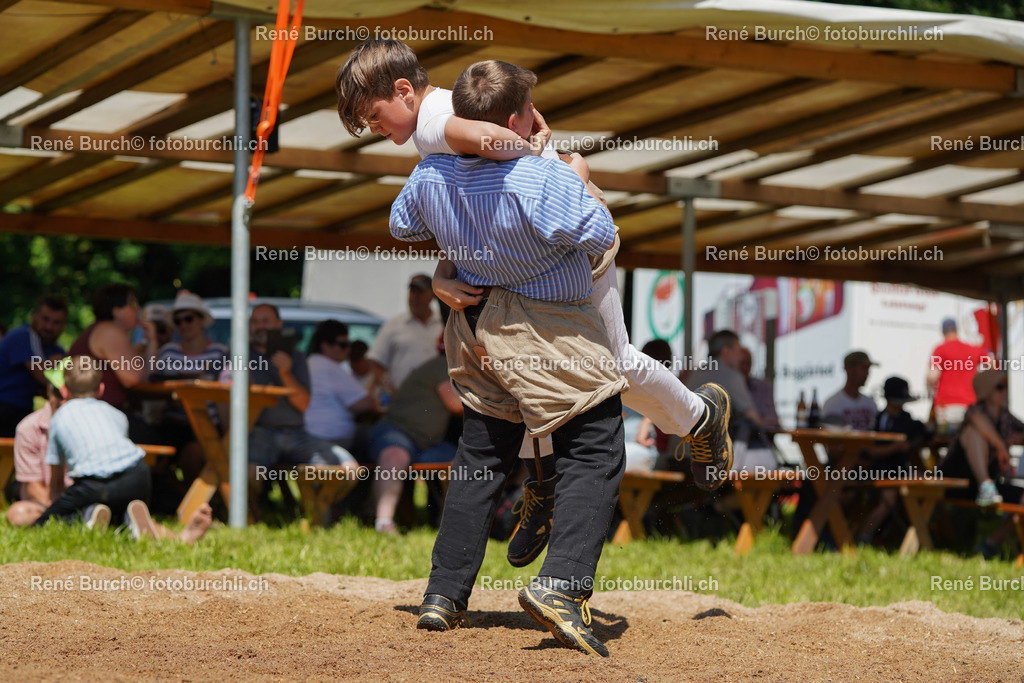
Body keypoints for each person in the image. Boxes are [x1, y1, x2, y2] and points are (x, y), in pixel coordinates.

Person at [336, 41, 731, 584]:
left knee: (611, 364)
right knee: (523, 372)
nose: (374, 128)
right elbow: (470, 208)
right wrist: (446, 269)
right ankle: (544, 483)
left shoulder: (434, 121)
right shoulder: (430, 121)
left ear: (403, 91)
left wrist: (548, 159)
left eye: (374, 116)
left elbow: (489, 146)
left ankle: (699, 418)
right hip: (535, 243)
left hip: (567, 233)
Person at [245, 303, 357, 504]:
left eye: (265, 321)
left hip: (297, 433)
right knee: (249, 474)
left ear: (278, 324)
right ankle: (254, 514)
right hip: (259, 432)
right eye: (255, 321)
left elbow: (303, 404)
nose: (260, 326)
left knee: (350, 470)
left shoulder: (295, 356)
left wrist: (285, 373)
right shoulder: (240, 354)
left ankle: (316, 513)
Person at [31, 356, 151, 527]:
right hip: (137, 475)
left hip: (93, 484)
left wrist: (54, 507)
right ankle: (129, 520)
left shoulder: (59, 418)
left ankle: (88, 516)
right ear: (101, 389)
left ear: (64, 391)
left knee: (47, 522)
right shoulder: (117, 414)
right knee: (117, 509)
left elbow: (56, 480)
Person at [369, 337, 462, 534]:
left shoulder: (451, 367)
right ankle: (384, 523)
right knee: (395, 455)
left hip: (427, 443)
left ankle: (452, 525)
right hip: (396, 431)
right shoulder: (442, 365)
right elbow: (456, 404)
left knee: (467, 461)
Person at [854, 376, 928, 545]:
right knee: (889, 496)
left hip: (900, 470)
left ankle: (919, 533)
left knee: (925, 484)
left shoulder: (907, 420)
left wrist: (915, 442)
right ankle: (864, 536)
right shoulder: (879, 420)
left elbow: (920, 437)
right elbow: (870, 452)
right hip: (879, 471)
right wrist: (896, 447)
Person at [684, 330, 770, 473]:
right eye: (737, 351)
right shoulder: (731, 376)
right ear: (726, 352)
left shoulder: (695, 373)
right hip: (706, 462)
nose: (739, 357)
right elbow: (754, 419)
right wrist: (765, 422)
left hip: (680, 456)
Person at [939, 370, 1024, 507]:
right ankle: (985, 485)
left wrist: (1019, 436)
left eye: (1005, 387)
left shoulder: (1005, 417)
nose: (1005, 391)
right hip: (956, 480)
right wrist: (1001, 446)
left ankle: (987, 489)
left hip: (988, 486)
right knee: (974, 433)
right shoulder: (974, 411)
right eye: (999, 387)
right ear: (986, 390)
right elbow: (979, 420)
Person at [69, 284, 157, 415]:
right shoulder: (109, 331)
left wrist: (151, 341)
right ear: (116, 311)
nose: (138, 308)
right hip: (97, 416)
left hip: (94, 413)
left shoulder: (101, 329)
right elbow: (135, 378)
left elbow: (146, 377)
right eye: (132, 304)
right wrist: (152, 342)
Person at [5, 383, 73, 527]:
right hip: (45, 502)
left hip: (79, 496)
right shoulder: (29, 427)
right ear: (49, 390)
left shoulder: (90, 423)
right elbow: (34, 487)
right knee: (18, 514)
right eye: (58, 393)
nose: (63, 400)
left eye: (70, 393)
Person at [365, 274, 443, 397]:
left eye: (420, 292)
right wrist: (389, 389)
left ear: (433, 295)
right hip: (404, 397)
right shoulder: (394, 324)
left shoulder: (444, 323)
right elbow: (376, 361)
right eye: (412, 291)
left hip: (438, 398)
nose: (414, 297)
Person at [0, 295, 68, 436]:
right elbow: (43, 376)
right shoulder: (23, 336)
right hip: (6, 409)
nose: (49, 327)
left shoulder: (55, 349)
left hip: (19, 411)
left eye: (56, 322)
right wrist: (51, 365)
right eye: (45, 319)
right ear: (33, 317)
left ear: (63, 325)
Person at [304, 319, 376, 451]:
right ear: (325, 346)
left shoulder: (309, 364)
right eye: (343, 345)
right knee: (378, 434)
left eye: (349, 345)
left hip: (310, 436)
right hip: (331, 438)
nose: (348, 350)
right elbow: (366, 404)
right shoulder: (329, 367)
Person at [927, 317, 990, 434]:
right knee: (967, 439)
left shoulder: (940, 350)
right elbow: (992, 364)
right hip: (969, 406)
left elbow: (932, 376)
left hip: (945, 406)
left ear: (943, 332)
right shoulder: (973, 349)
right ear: (957, 330)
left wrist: (930, 391)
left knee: (945, 438)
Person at [822, 351, 879, 431]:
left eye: (868, 369)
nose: (867, 373)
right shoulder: (832, 404)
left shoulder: (870, 403)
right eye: (864, 368)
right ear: (850, 369)